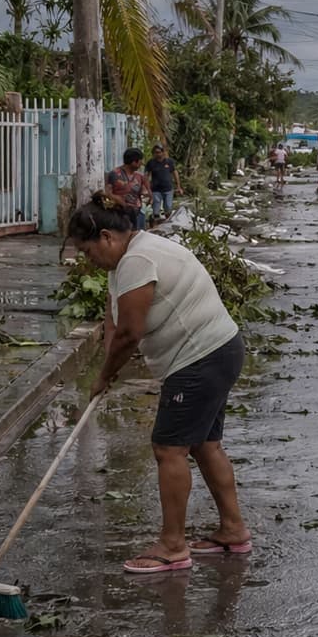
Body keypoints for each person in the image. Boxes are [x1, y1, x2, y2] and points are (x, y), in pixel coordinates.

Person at [70, 193, 250, 573]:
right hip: (220, 350)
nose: (89, 261)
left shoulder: (137, 260)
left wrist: (103, 375)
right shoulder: (128, 259)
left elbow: (130, 333)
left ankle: (172, 545)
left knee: (169, 449)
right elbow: (115, 322)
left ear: (106, 237)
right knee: (204, 444)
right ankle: (233, 530)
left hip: (199, 358)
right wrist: (109, 366)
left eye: (88, 252)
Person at [107, 148, 150, 231]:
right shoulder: (115, 174)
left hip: (137, 214)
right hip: (120, 214)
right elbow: (108, 193)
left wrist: (146, 194)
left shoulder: (139, 176)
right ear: (134, 162)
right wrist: (118, 199)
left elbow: (144, 191)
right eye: (140, 161)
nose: (141, 164)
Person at [145, 144, 181, 223]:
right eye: (155, 153)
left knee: (168, 208)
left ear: (163, 152)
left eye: (158, 152)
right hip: (155, 190)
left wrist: (178, 186)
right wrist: (147, 189)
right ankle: (155, 226)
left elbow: (175, 173)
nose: (157, 154)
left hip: (168, 189)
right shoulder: (151, 163)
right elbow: (146, 176)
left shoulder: (169, 162)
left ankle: (168, 224)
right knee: (156, 210)